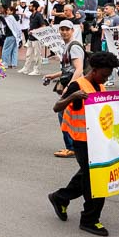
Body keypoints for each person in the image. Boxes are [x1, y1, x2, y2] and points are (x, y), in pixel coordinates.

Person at [48, 51, 119, 237]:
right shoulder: (77, 85)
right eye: (104, 75)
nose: (106, 79)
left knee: (87, 175)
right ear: (94, 70)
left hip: (97, 139)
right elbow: (57, 107)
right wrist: (72, 97)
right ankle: (89, 220)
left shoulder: (99, 85)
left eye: (108, 76)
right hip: (81, 141)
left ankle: (60, 197)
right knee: (95, 180)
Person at [43, 20, 85, 158]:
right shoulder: (67, 46)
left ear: (72, 31)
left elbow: (79, 69)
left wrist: (69, 87)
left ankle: (71, 147)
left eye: (67, 29)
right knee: (68, 115)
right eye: (62, 29)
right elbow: (68, 69)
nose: (64, 32)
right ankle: (74, 146)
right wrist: (53, 76)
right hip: (73, 84)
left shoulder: (74, 47)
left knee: (63, 113)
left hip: (75, 85)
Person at [19, 1, 47, 76]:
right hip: (31, 38)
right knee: (28, 54)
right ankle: (26, 68)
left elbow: (43, 26)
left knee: (37, 55)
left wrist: (34, 31)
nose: (29, 7)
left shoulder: (38, 15)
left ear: (34, 7)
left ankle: (37, 70)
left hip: (37, 38)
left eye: (30, 6)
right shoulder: (32, 15)